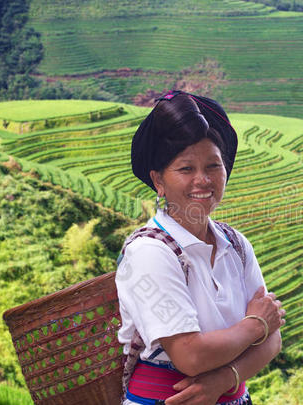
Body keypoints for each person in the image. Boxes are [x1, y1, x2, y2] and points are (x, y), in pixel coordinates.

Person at [115, 90, 286, 405]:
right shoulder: (150, 252)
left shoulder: (235, 244)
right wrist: (255, 324)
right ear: (159, 181)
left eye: (213, 166)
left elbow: (273, 339)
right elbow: (190, 356)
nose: (203, 180)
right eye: (186, 169)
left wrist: (224, 378)